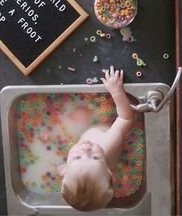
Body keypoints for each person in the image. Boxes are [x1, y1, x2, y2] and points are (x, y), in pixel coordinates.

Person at [56, 66, 133, 211]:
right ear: (109, 172)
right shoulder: (108, 144)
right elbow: (125, 118)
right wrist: (116, 91)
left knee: (78, 114)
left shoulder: (70, 170)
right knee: (81, 114)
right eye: (95, 158)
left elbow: (60, 170)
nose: (85, 149)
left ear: (66, 170)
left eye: (77, 158)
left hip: (92, 124)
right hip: (104, 123)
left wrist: (54, 168)